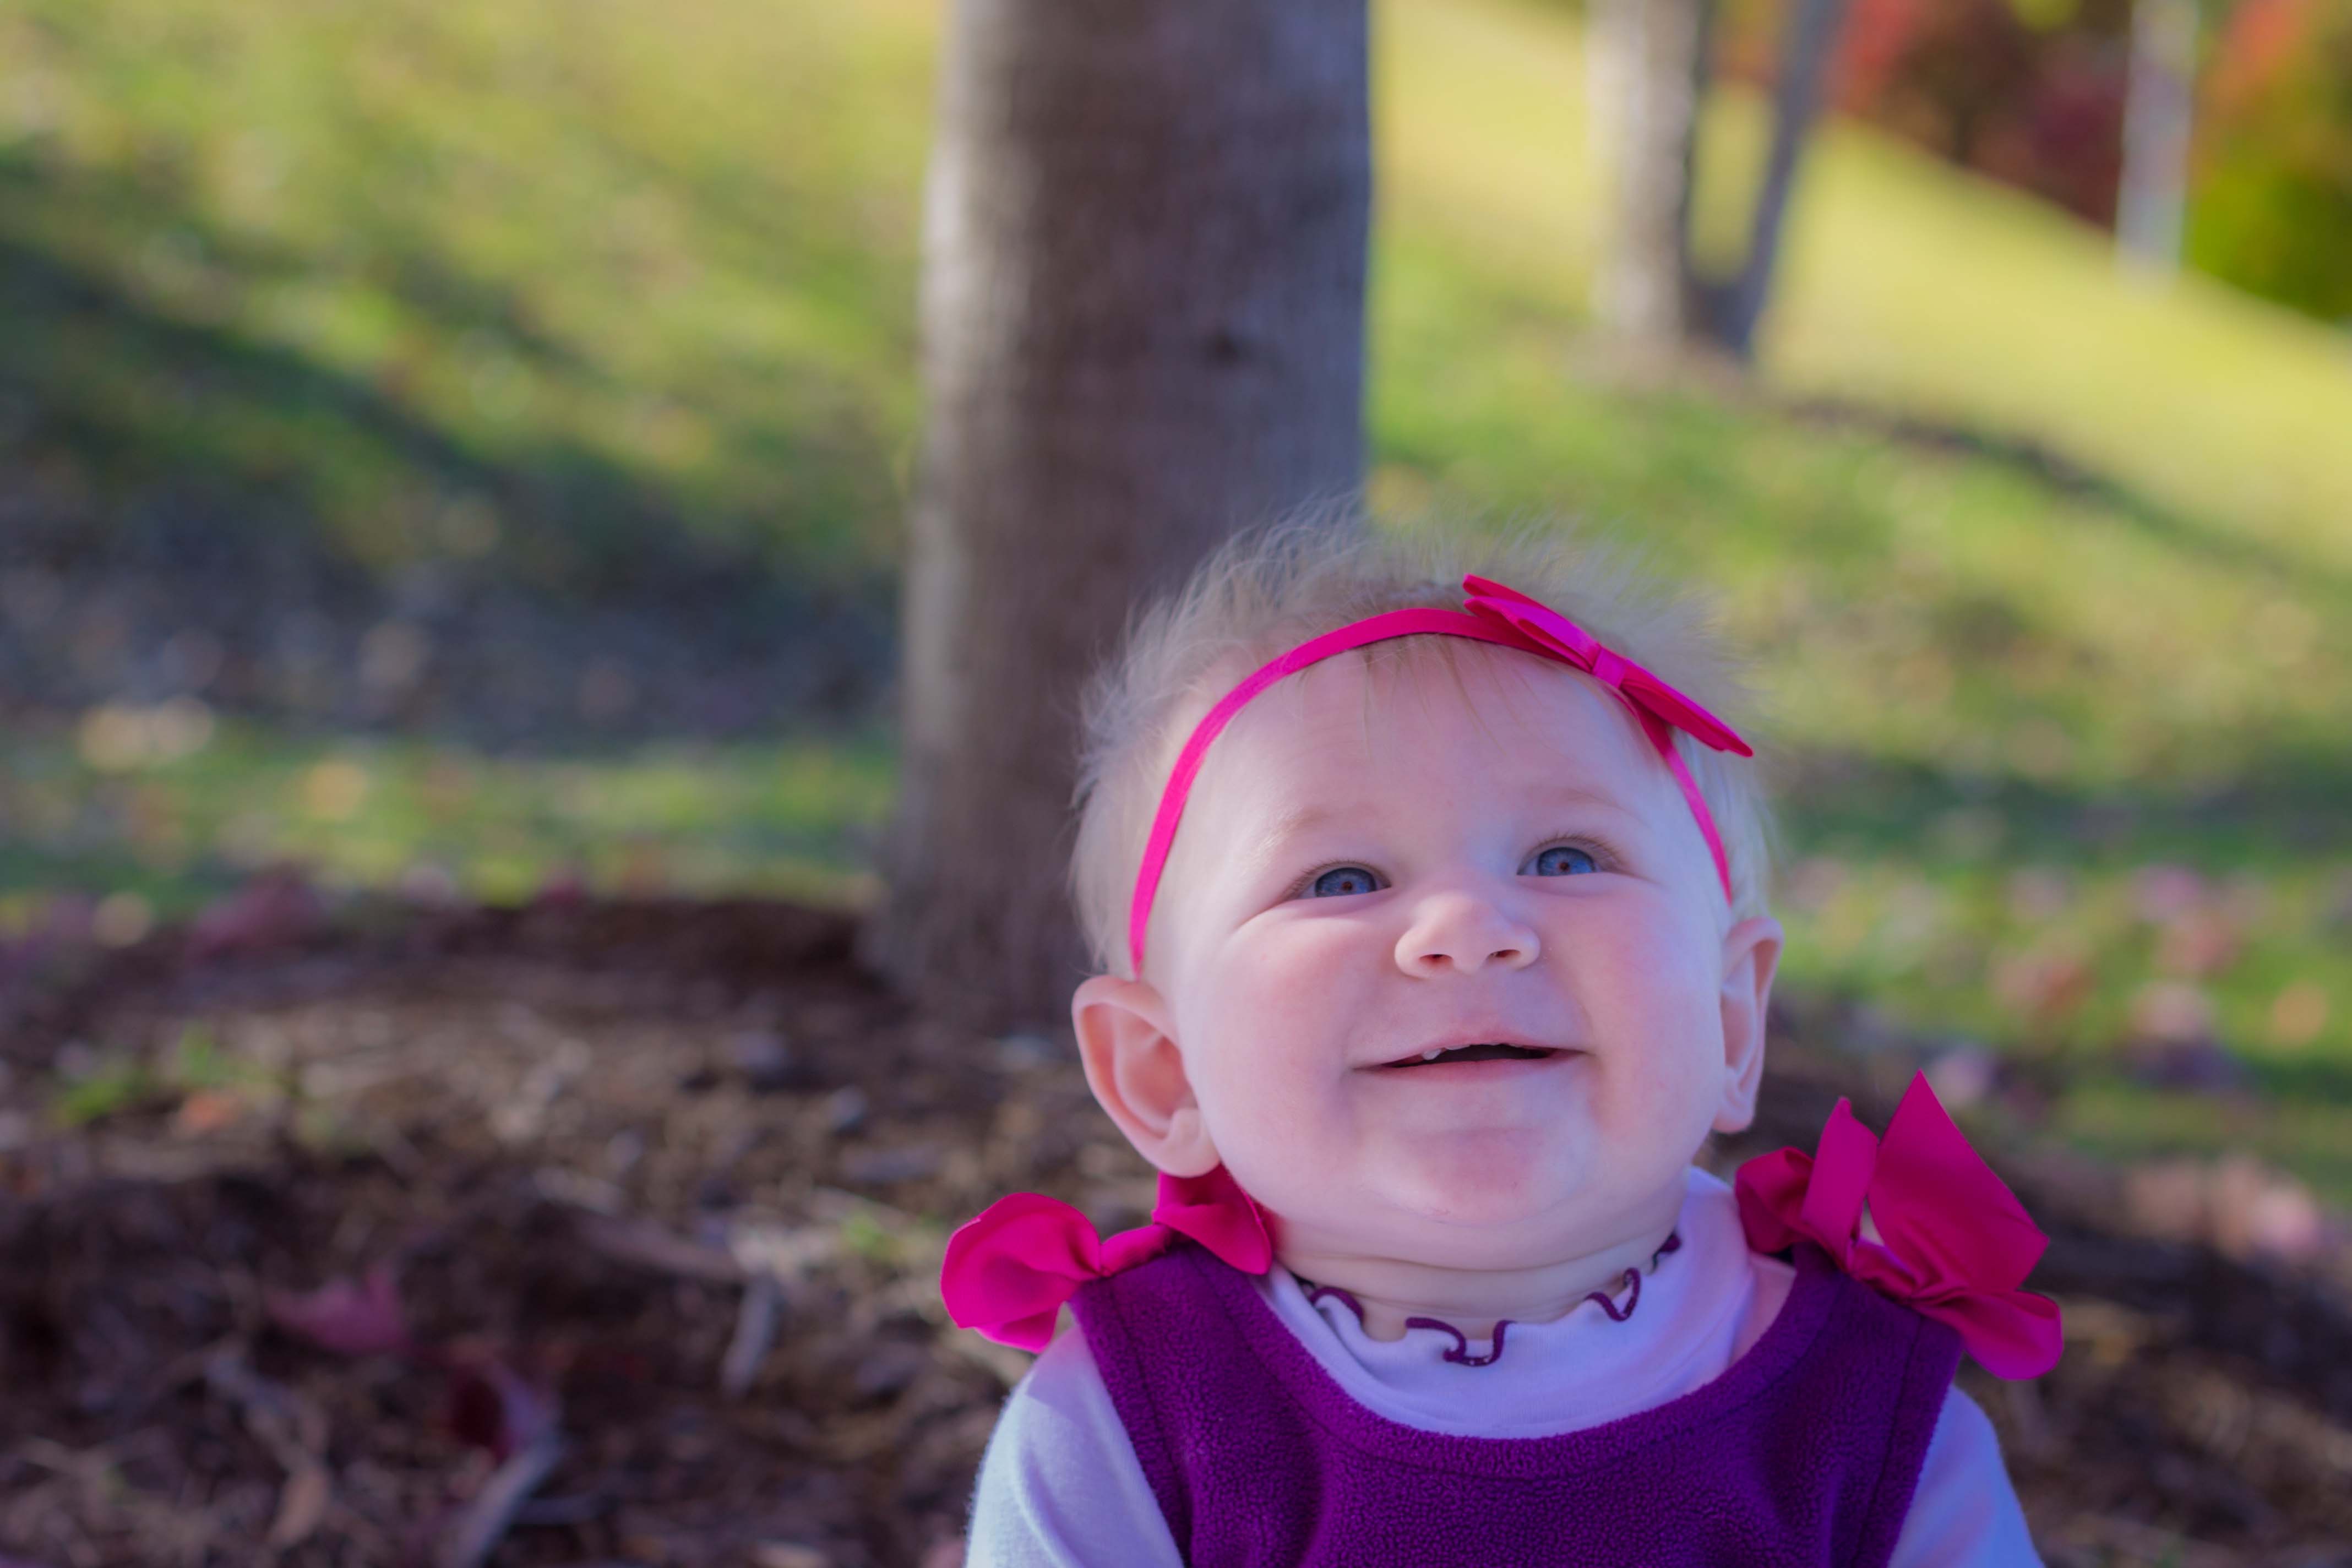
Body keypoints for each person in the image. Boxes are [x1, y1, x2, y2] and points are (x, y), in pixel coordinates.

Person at [941, 524, 2061, 1566]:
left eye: (1567, 859)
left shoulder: (1871, 1418)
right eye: (1341, 877)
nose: (1469, 927)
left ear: (1731, 1020)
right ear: (1164, 1071)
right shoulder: (1128, 1423)